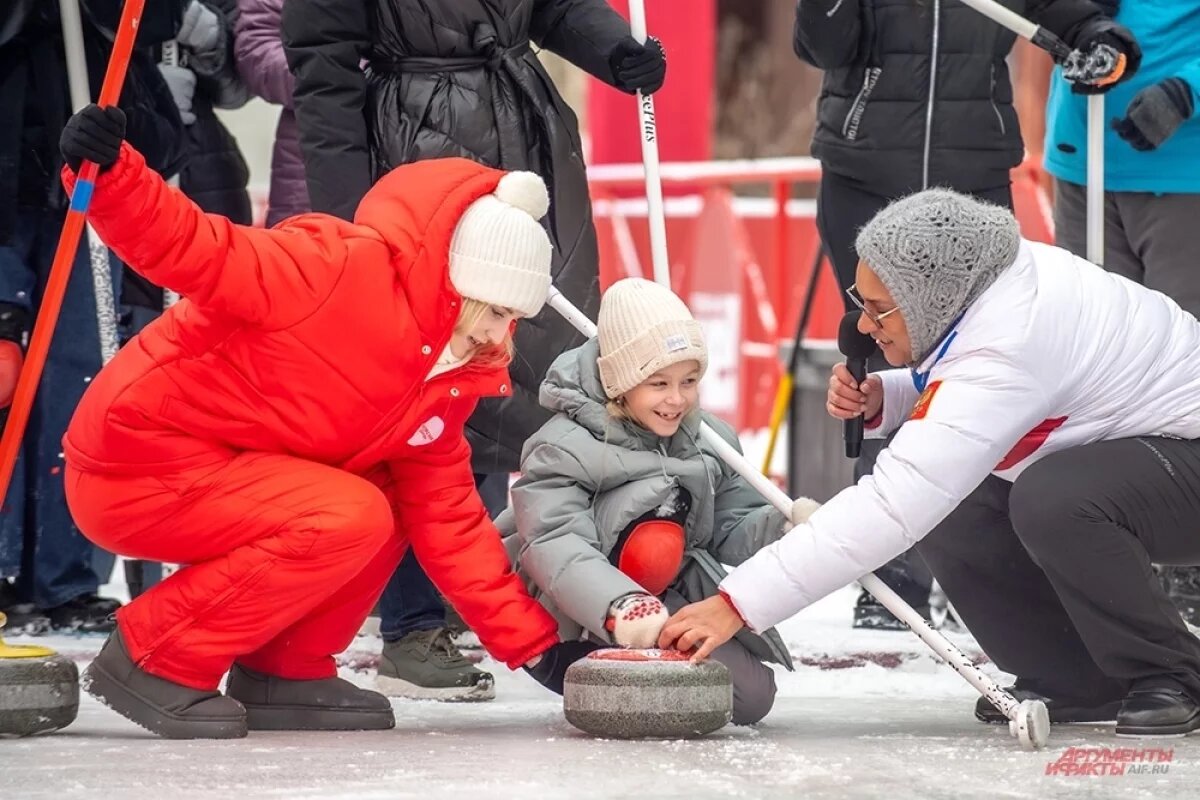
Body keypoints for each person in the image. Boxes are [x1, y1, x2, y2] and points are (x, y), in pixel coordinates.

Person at [55, 104, 581, 739]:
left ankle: (287, 668)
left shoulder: (443, 373)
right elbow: (200, 249)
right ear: (459, 284)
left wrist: (533, 646)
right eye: (494, 311)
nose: (501, 336)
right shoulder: (332, 272)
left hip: (241, 477)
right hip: (139, 459)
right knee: (347, 513)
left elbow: (447, 516)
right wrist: (113, 178)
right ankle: (155, 656)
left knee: (390, 498)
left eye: (512, 318)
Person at [661, 189, 1200, 737]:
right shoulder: (990, 288)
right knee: (962, 498)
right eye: (860, 301)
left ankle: (1175, 675)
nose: (864, 325)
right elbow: (982, 382)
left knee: (1053, 498)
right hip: (1144, 447)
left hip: (1187, 452)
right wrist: (890, 398)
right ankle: (1074, 677)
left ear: (932, 299)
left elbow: (896, 503)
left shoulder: (1014, 337)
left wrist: (737, 604)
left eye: (878, 309)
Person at [281, 0, 665, 698]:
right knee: (429, 392)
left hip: (530, 145)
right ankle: (411, 622)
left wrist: (614, 50)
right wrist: (348, 222)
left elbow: (556, 7)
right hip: (413, 157)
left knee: (524, 388)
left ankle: (493, 587)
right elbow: (323, 67)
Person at [793, 0, 1142, 630]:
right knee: (877, 353)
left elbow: (1054, 11)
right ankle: (895, 571)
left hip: (971, 178)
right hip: (866, 169)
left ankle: (980, 567)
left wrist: (1097, 35)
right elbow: (822, 44)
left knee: (980, 361)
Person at [499, 278, 819, 721]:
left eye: (689, 381)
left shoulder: (709, 439)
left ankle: (644, 659)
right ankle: (586, 659)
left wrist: (782, 526)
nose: (676, 399)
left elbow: (732, 521)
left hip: (664, 594)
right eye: (658, 383)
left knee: (748, 698)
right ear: (620, 381)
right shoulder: (563, 446)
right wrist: (620, 607)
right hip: (576, 610)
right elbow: (557, 544)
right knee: (647, 526)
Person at [0, 0, 185, 634]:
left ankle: (65, 575)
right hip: (11, 201)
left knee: (76, 377)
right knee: (3, 379)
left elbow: (155, 31)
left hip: (72, 200)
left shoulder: (105, 39)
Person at [1043, 0, 1200, 625]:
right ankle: (1104, 561)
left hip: (1182, 169)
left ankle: (1186, 563)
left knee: (1181, 376)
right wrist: (1062, 39)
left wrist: (1189, 88)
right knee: (1092, 367)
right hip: (1084, 155)